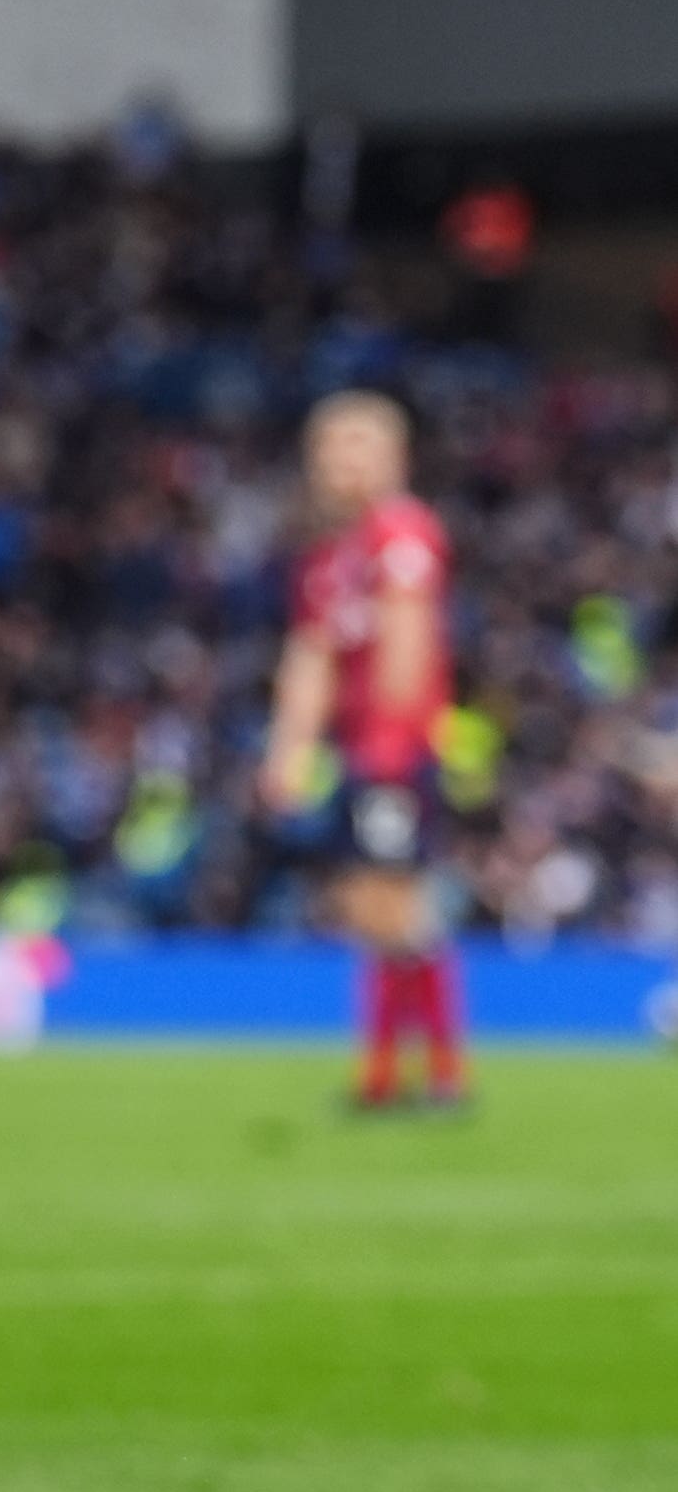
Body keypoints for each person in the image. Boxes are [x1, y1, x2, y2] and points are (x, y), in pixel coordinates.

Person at [261, 391, 461, 1111]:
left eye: (358, 444)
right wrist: (289, 749)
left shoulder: (401, 534)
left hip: (392, 752)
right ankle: (397, 1073)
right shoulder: (328, 556)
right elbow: (310, 656)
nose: (341, 460)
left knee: (393, 907)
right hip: (358, 752)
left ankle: (430, 1074)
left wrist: (390, 747)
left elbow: (408, 644)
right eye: (331, 445)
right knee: (370, 908)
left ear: (394, 458)